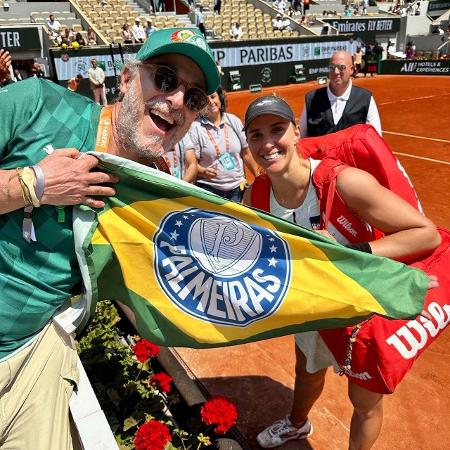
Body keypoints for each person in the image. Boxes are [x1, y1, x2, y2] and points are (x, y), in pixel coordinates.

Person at [0, 26, 219, 450]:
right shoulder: (38, 103)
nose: (176, 101)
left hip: (31, 356)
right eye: (167, 79)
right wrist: (34, 184)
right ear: (127, 78)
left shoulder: (153, 193)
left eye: (192, 98)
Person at [241, 95, 440, 449]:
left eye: (277, 129)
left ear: (297, 131)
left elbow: (424, 234)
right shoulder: (255, 198)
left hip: (361, 310)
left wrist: (348, 254)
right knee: (307, 372)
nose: (268, 143)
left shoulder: (343, 182)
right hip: (313, 308)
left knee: (364, 403)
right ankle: (297, 424)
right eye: (256, 135)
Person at [189, 86, 258, 201]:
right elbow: (191, 163)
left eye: (213, 97)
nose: (211, 102)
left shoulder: (233, 121)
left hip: (237, 188)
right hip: (210, 190)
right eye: (205, 100)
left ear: (220, 99)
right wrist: (203, 171)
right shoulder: (196, 128)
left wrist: (257, 176)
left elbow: (246, 153)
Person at [299, 50, 382, 137]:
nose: (336, 72)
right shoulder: (312, 99)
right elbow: (302, 138)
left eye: (341, 67)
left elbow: (376, 139)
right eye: (332, 67)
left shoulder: (366, 98)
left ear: (352, 70)